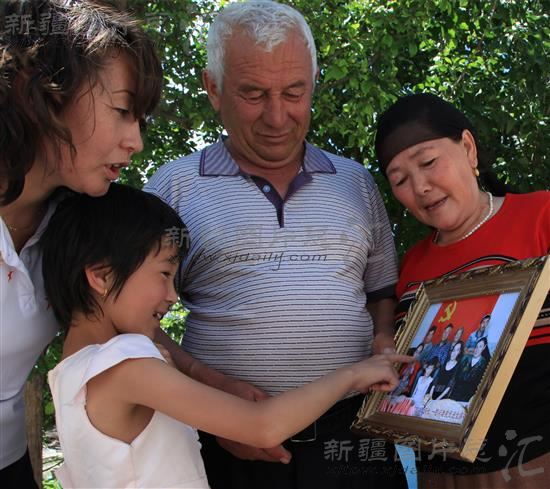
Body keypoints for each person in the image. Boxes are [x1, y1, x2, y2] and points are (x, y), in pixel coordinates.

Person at [145, 1, 404, 487]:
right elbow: (130, 322)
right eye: (253, 94)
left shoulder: (355, 183)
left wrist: (383, 336)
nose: (278, 116)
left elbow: (380, 293)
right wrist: (211, 395)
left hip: (354, 441)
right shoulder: (173, 189)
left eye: (294, 92)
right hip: (228, 447)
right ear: (213, 89)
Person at [40, 183, 411, 489]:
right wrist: (354, 373)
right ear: (101, 276)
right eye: (164, 274)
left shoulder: (71, 371)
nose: (172, 295)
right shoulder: (125, 363)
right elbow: (261, 426)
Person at [0, 1, 162, 486]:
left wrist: (217, 383)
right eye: (122, 111)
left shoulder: (76, 224)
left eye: (140, 120)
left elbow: (123, 314)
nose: (135, 142)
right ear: (40, 92)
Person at [375, 92, 550, 487]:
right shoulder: (411, 266)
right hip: (437, 474)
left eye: (428, 162)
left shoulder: (541, 216)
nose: (420, 186)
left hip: (534, 465)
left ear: (468, 148)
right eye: (400, 180)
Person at [449, 338, 489, 403]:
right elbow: (455, 375)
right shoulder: (465, 358)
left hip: (468, 399)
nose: (477, 349)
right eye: (476, 346)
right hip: (455, 394)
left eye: (480, 347)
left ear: (484, 347)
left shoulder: (484, 364)